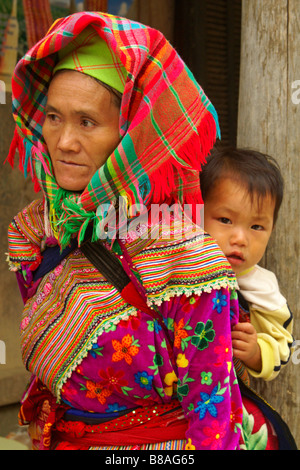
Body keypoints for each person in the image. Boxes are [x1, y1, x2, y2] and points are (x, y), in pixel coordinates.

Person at [6, 12, 296, 451]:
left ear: (129, 134)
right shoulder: (35, 232)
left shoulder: (184, 254)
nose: (63, 141)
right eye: (53, 116)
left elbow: (210, 406)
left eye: (87, 122)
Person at [200, 146, 294, 383]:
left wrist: (256, 352)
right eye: (225, 220)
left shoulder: (262, 289)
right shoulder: (175, 267)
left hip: (224, 393)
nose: (240, 239)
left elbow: (281, 345)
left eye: (256, 227)